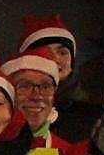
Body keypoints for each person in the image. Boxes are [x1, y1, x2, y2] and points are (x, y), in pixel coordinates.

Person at [16, 14, 98, 143]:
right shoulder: (9, 109)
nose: (55, 59)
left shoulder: (91, 115)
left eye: (62, 52)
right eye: (45, 51)